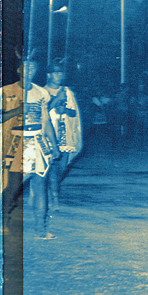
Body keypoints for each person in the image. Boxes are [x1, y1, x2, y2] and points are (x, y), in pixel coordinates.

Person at [1, 56, 58, 239]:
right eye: (25, 67)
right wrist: (17, 111)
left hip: (38, 142)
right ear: (18, 70)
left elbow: (46, 120)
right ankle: (3, 221)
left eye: (33, 67)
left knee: (40, 185)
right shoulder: (5, 91)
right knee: (12, 186)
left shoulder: (42, 93)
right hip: (15, 142)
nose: (29, 70)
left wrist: (54, 144)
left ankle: (41, 229)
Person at [44, 60, 83, 211]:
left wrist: (65, 109)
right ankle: (54, 197)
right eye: (56, 73)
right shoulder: (42, 91)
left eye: (61, 72)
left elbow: (74, 112)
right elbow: (40, 112)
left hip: (65, 134)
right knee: (52, 167)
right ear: (49, 75)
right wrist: (55, 101)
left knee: (63, 167)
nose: (59, 75)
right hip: (49, 133)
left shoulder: (67, 91)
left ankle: (49, 189)